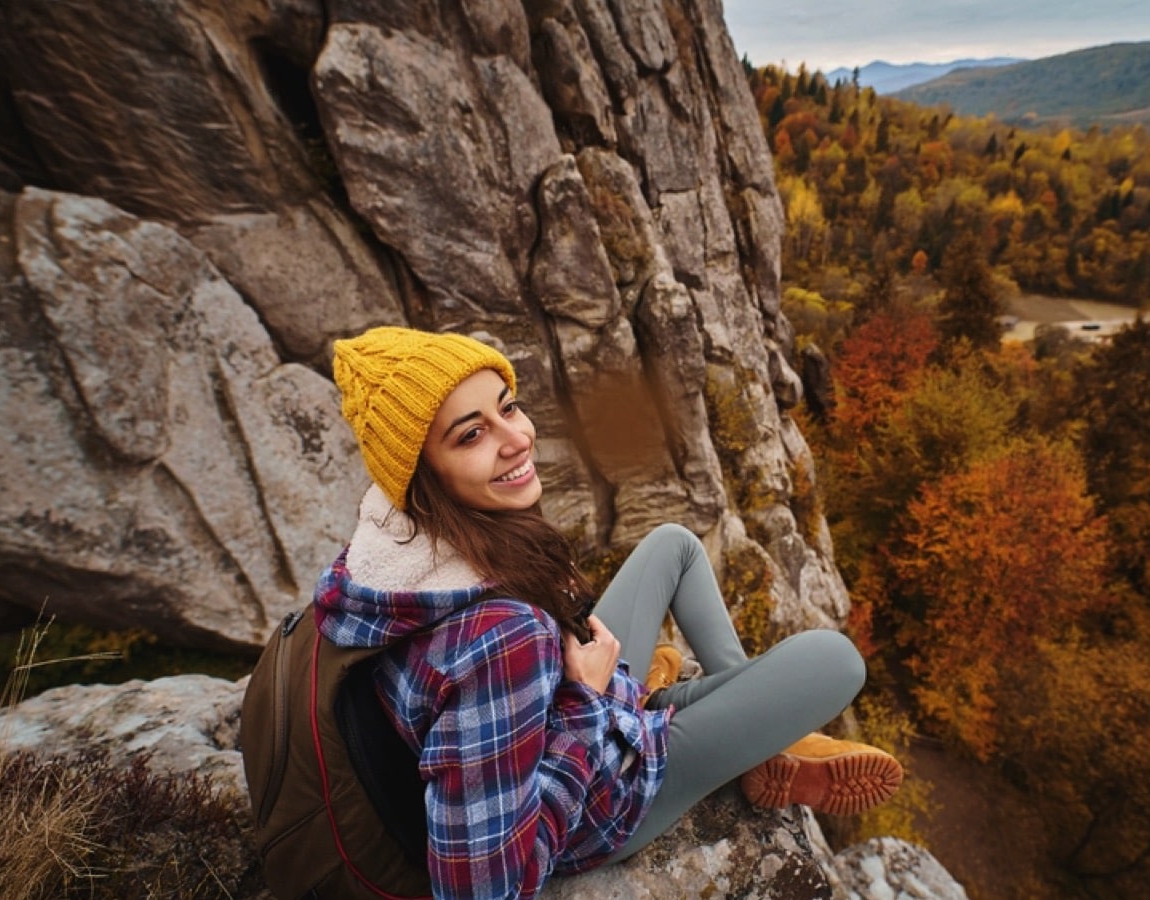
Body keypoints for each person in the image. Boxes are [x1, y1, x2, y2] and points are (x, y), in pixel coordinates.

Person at [318, 326, 901, 898]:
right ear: (423, 476)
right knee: (834, 659)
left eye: (508, 407)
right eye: (471, 435)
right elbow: (485, 887)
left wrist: (579, 689)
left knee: (674, 543)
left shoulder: (392, 554)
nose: (517, 438)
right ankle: (752, 738)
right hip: (599, 804)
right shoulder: (500, 640)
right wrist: (588, 702)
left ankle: (738, 732)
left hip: (554, 715)